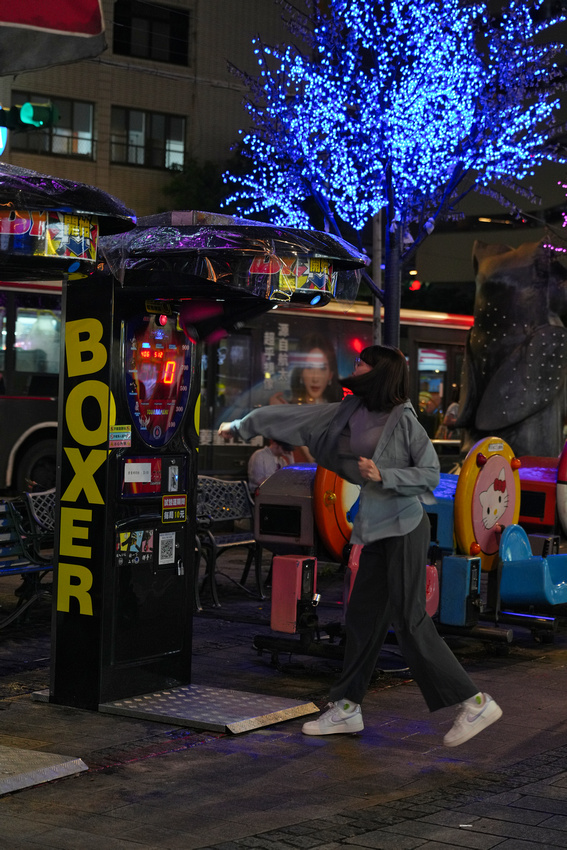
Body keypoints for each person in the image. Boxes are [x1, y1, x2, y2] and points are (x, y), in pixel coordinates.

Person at [219, 345, 502, 748]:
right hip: (375, 529)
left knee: (409, 621)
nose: (358, 366)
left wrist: (383, 473)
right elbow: (297, 418)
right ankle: (348, 707)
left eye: (364, 362)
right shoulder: (350, 411)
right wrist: (246, 423)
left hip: (405, 528)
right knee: (363, 618)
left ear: (380, 372)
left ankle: (474, 702)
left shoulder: (403, 420)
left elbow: (428, 474)